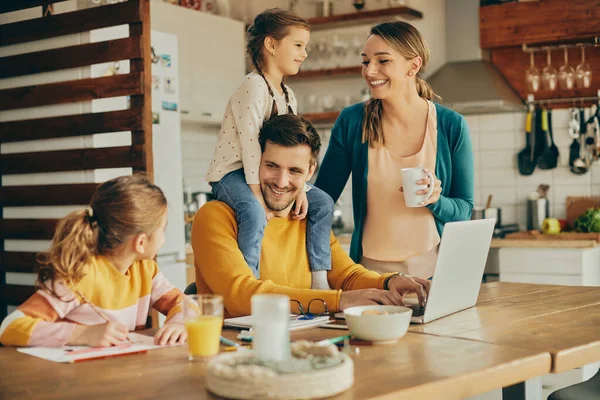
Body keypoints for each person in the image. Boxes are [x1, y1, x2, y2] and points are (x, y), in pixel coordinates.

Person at [193, 114, 431, 318]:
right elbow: (241, 296)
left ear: (310, 171)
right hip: (236, 353)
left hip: (304, 343)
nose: (281, 182)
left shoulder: (308, 217)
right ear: (255, 161)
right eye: (271, 166)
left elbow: (346, 275)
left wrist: (389, 281)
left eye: (294, 170)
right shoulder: (214, 217)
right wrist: (337, 301)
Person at [315, 22, 474, 279]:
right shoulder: (352, 122)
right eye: (366, 61)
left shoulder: (450, 125)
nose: (370, 71)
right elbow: (321, 201)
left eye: (383, 60)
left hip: (434, 274)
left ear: (414, 65)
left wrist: (436, 200)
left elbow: (464, 209)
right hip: (370, 277)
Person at [204, 8, 334, 290]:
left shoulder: (288, 94)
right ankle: (251, 284)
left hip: (263, 172)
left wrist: (301, 191)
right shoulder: (253, 86)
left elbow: (294, 146)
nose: (304, 53)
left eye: (306, 47)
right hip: (232, 173)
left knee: (323, 203)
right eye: (298, 45)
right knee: (252, 212)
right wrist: (258, 197)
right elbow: (251, 145)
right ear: (272, 44)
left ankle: (320, 279)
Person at [0, 175, 187, 347]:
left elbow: (184, 302)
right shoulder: (81, 276)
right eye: (163, 229)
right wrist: (82, 334)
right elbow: (9, 327)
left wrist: (179, 323)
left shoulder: (145, 270)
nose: (164, 238)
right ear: (140, 242)